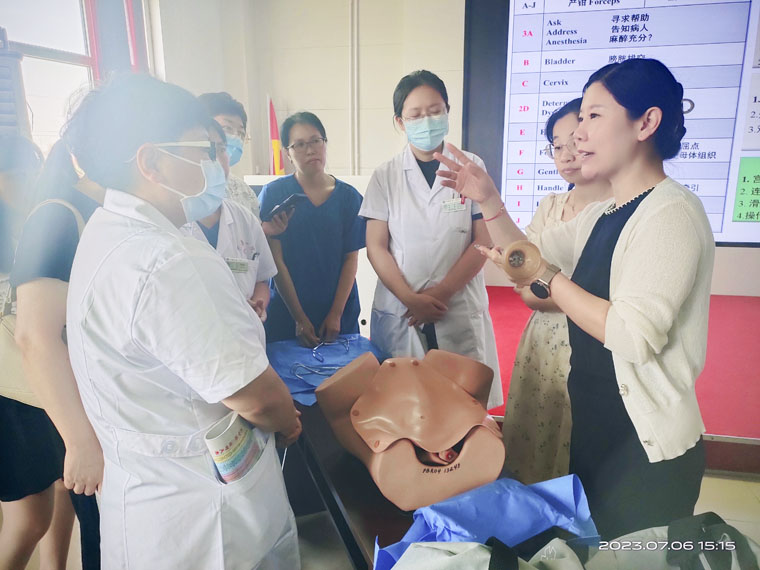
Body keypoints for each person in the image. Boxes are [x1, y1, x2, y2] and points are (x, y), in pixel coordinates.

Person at [436, 58, 714, 540]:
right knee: (598, 549)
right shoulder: (607, 212)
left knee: (634, 555)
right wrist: (489, 200)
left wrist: (546, 277)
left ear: (646, 123)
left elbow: (632, 335)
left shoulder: (671, 213)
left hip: (644, 447)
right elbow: (532, 251)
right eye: (580, 117)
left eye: (594, 116)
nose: (579, 133)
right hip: (599, 429)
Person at [63, 74, 301, 568]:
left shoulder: (110, 231)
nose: (216, 162)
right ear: (151, 161)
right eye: (203, 149)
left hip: (149, 499)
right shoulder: (167, 260)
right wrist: (287, 419)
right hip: (205, 512)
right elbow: (254, 395)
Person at [360, 69, 502, 409]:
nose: (427, 121)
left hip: (456, 302)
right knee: (405, 408)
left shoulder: (471, 165)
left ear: (447, 111)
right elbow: (376, 247)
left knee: (461, 406)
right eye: (416, 115)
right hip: (402, 307)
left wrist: (442, 292)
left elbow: (482, 239)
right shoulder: (385, 175)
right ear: (400, 121)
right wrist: (411, 298)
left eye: (435, 111)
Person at [5, 138, 103, 570]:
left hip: (55, 382)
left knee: (67, 485)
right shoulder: (52, 216)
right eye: (17, 173)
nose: (26, 181)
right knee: (30, 516)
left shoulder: (54, 214)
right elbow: (32, 335)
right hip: (19, 387)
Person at [503, 98, 611, 484]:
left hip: (591, 340)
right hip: (542, 339)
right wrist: (543, 290)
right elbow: (524, 282)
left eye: (574, 142)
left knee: (577, 435)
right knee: (535, 429)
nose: (565, 154)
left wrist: (543, 289)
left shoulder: (619, 209)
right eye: (556, 144)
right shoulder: (550, 206)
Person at [259, 111, 365, 347]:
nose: (310, 150)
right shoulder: (275, 193)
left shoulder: (348, 197)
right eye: (299, 144)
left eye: (316, 141)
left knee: (344, 369)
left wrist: (336, 314)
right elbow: (275, 260)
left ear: (325, 143)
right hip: (286, 312)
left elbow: (350, 259)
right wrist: (299, 317)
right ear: (288, 153)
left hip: (339, 312)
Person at [181, 120, 277, 321]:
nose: (216, 159)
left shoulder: (245, 219)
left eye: (221, 149)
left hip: (245, 332)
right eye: (207, 149)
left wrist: (258, 303)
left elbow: (261, 280)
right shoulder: (173, 223)